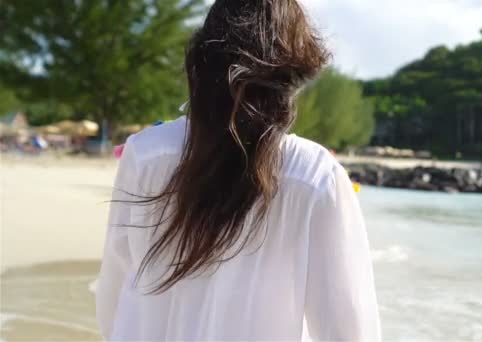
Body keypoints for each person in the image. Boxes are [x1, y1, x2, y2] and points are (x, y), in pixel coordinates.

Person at [95, 0, 380, 340]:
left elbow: (114, 288)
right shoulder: (314, 175)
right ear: (293, 70)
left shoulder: (145, 153)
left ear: (202, 57)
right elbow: (348, 329)